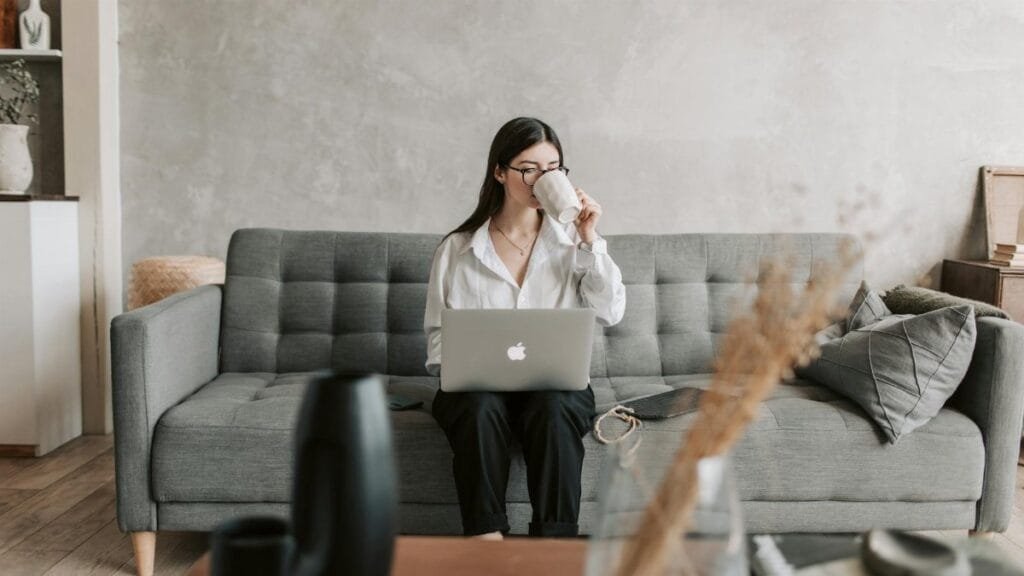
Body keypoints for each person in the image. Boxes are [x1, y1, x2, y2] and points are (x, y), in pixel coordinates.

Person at [422, 117, 627, 539]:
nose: (542, 179)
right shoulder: (458, 249)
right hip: (477, 391)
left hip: (553, 386)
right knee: (478, 408)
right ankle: (486, 541)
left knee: (555, 408)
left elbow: (611, 312)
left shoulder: (573, 243)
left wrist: (590, 238)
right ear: (500, 172)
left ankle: (553, 545)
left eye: (553, 168)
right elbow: (439, 337)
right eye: (528, 168)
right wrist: (459, 368)